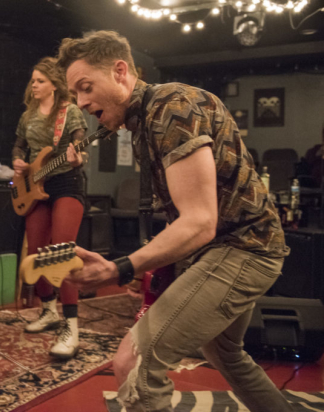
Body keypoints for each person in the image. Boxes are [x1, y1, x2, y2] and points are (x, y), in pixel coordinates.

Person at [58, 31, 292, 412]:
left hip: (243, 249)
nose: (82, 103)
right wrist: (148, 268)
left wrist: (120, 267)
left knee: (135, 363)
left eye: (86, 88)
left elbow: (201, 222)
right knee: (225, 353)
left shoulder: (172, 107)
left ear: (120, 71)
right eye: (76, 95)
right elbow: (186, 214)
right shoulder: (145, 119)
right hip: (235, 248)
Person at [12, 57, 88, 359]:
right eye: (33, 80)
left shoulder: (69, 113)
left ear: (54, 84)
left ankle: (71, 327)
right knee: (36, 254)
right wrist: (19, 161)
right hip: (34, 186)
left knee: (62, 252)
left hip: (66, 183)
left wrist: (76, 154)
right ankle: (47, 310)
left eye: (40, 80)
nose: (34, 84)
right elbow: (19, 145)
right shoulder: (28, 114)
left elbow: (80, 141)